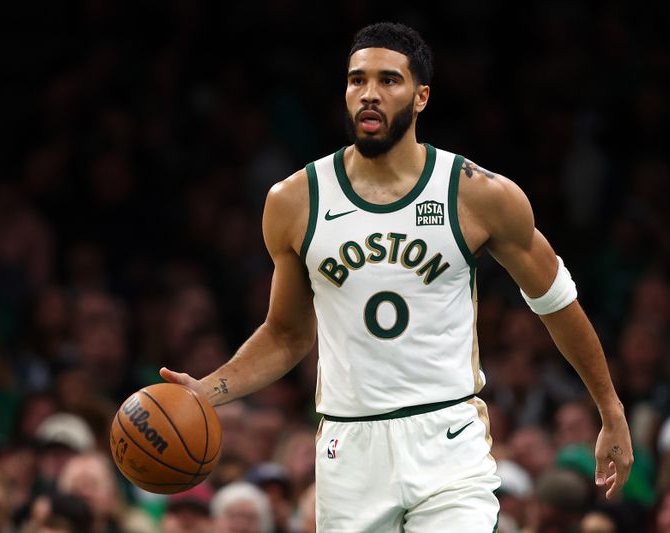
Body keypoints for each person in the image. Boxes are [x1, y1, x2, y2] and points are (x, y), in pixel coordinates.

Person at [161, 22, 633, 532]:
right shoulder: (294, 201)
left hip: (448, 440)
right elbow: (287, 334)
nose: (368, 94)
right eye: (356, 80)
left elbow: (557, 301)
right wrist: (208, 390)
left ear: (421, 96)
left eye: (388, 80)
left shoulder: (476, 193)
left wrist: (609, 406)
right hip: (349, 449)